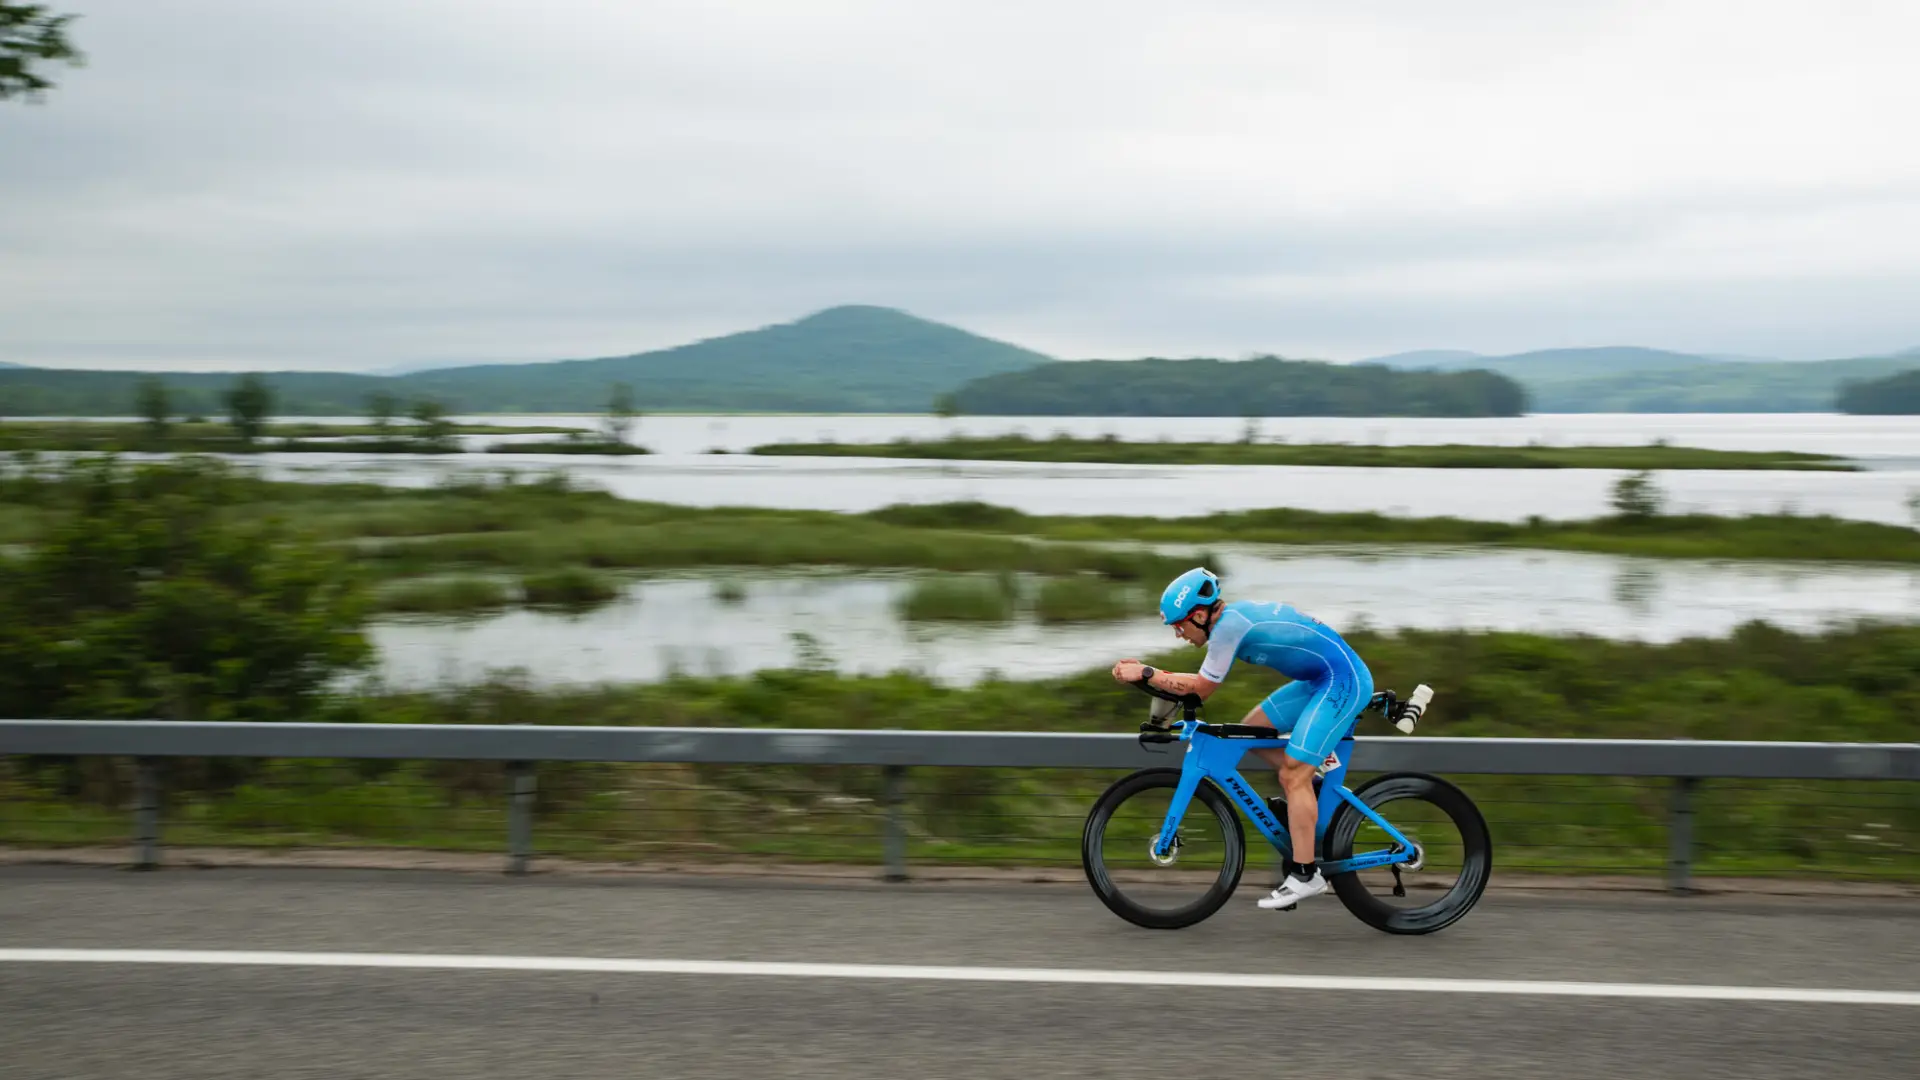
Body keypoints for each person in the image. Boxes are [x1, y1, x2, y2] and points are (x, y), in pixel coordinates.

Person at [1110, 566, 1374, 910]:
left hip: (1342, 680)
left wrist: (1147, 672)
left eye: (1179, 626)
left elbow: (1202, 690)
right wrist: (1154, 676)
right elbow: (1196, 682)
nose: (1179, 634)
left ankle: (1306, 874)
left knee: (1293, 772)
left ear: (1201, 615)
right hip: (1317, 680)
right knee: (1253, 732)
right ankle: (1314, 792)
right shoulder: (1227, 622)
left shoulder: (1228, 627)